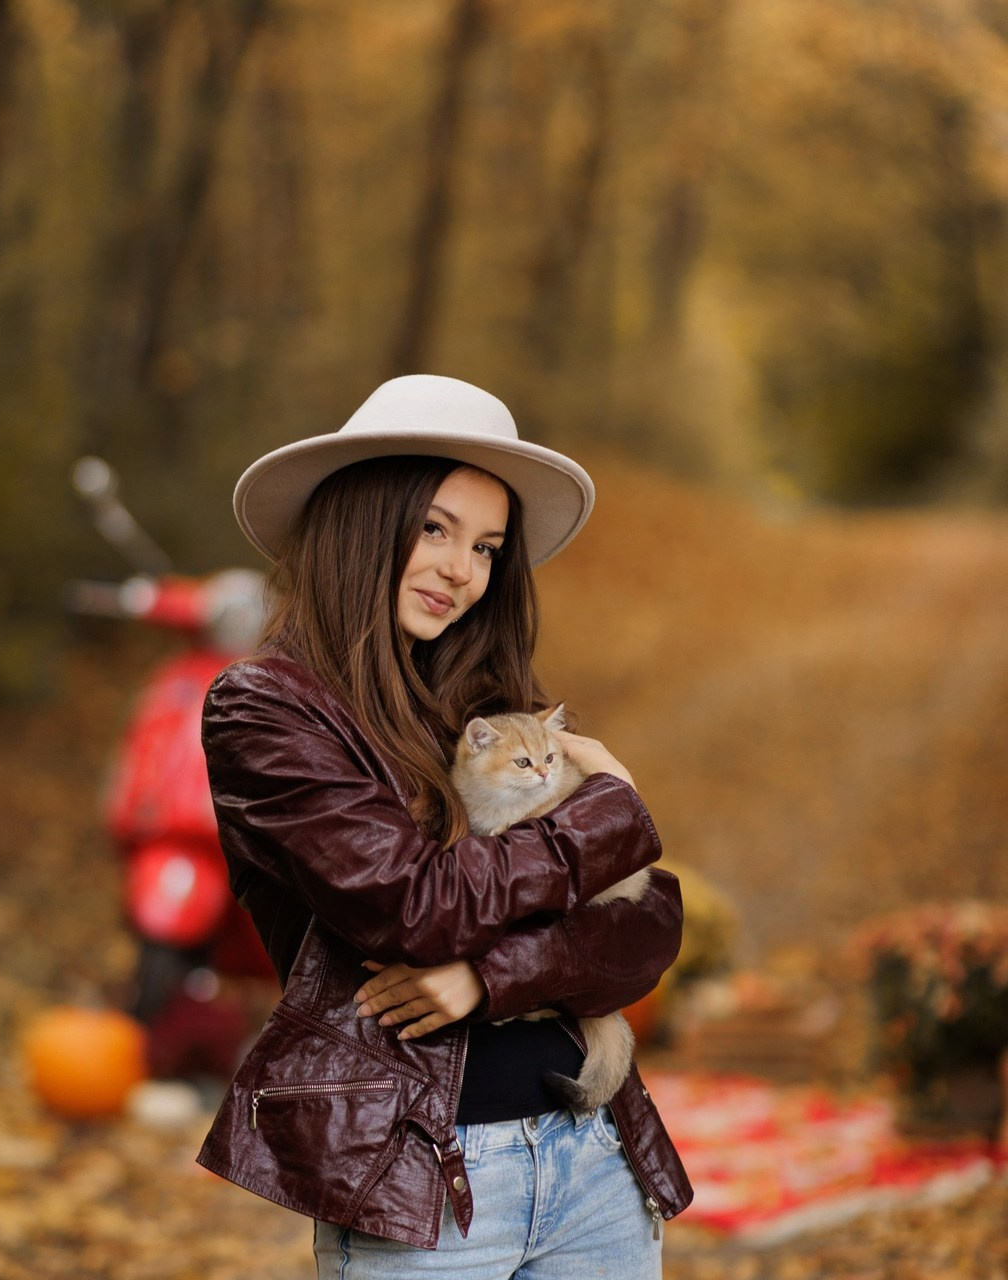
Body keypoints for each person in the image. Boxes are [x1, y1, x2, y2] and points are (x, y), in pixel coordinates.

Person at [195, 375, 693, 1278]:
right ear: (361, 522)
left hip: (593, 1162)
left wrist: (489, 977)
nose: (463, 569)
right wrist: (610, 808)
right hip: (428, 1187)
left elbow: (653, 928)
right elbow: (411, 910)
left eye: (488, 547)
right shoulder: (268, 710)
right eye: (435, 528)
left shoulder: (488, 710)